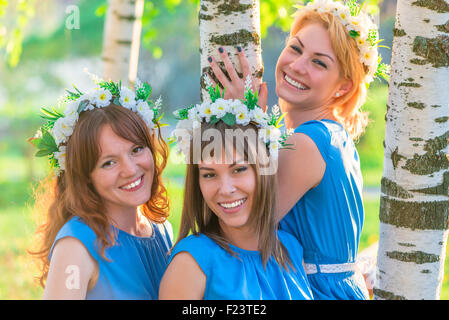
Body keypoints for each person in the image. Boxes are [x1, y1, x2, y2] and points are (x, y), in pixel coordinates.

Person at [206, 0, 389, 299]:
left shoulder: (307, 142)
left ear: (343, 87)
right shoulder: (332, 136)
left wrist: (237, 121)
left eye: (319, 62)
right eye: (295, 48)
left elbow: (239, 225)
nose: (297, 65)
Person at [158, 83, 313, 300]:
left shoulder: (289, 248)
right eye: (209, 174)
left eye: (239, 169)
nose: (226, 189)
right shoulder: (191, 263)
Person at [28, 77, 173, 299]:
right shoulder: (76, 247)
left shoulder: (162, 230)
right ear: (86, 177)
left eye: (136, 149)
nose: (130, 169)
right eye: (109, 162)